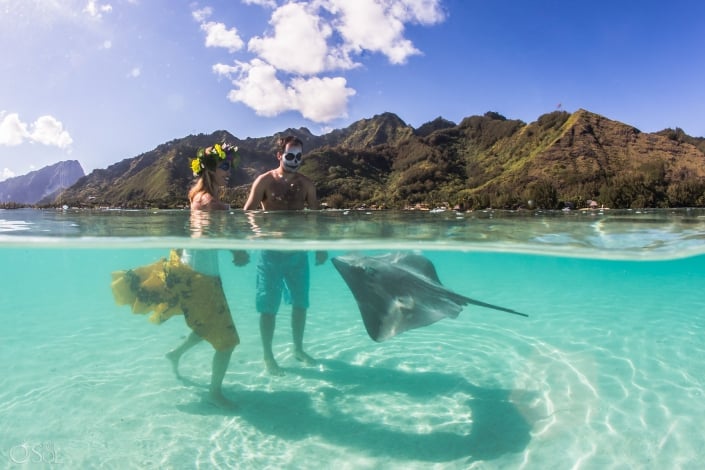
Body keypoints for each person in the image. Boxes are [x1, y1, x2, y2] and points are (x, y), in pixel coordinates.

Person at [236, 135, 327, 376]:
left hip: (297, 253)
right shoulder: (264, 181)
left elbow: (316, 218)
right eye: (290, 155)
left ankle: (298, 348)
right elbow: (248, 213)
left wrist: (320, 247)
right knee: (268, 307)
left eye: (299, 156)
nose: (295, 161)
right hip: (270, 254)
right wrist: (256, 236)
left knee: (300, 304)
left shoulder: (307, 185)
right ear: (279, 155)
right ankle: (268, 355)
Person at [165, 143, 241, 408]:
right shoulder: (212, 203)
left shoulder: (196, 196)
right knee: (228, 341)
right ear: (209, 169)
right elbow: (223, 234)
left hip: (197, 271)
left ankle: (175, 354)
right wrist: (237, 251)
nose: (229, 171)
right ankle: (215, 393)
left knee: (205, 325)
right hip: (204, 277)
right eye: (224, 166)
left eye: (229, 166)